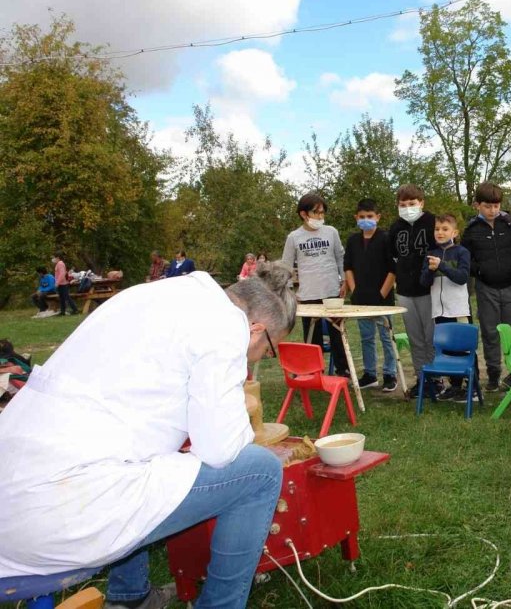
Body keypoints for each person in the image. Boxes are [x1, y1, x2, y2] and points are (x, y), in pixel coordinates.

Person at [0, 263, 297, 608]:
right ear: (257, 330)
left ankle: (131, 596)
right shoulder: (227, 324)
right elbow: (219, 449)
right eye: (269, 350)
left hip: (16, 484)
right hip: (54, 515)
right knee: (259, 471)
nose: (261, 358)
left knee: (149, 459)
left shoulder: (156, 294)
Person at [462, 182, 511, 392]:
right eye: (488, 206)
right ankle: (493, 373)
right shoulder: (471, 230)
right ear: (477, 205)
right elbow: (465, 258)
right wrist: (479, 270)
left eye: (496, 206)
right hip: (485, 287)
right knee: (490, 331)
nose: (493, 210)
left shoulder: (510, 225)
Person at [281, 192, 349, 376]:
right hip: (308, 294)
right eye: (316, 212)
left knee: (337, 333)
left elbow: (340, 258)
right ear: (304, 214)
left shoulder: (331, 232)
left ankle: (343, 369)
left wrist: (344, 280)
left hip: (332, 292)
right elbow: (286, 265)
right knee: (312, 336)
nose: (320, 216)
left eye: (322, 213)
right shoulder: (294, 237)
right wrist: (288, 291)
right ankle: (312, 370)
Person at [344, 198, 398, 392]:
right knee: (366, 337)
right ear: (356, 218)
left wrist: (382, 294)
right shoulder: (352, 241)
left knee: (386, 336)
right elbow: (348, 267)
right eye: (362, 217)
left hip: (383, 299)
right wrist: (354, 289)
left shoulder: (386, 238)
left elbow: (393, 270)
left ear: (378, 217)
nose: (366, 219)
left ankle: (390, 374)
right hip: (361, 298)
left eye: (370, 216)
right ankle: (370, 374)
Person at [388, 184, 437, 390]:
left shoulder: (432, 222)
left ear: (421, 203)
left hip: (428, 289)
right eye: (403, 204)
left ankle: (437, 378)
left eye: (412, 203)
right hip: (405, 290)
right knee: (415, 338)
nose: (407, 207)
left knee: (431, 337)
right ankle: (422, 378)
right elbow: (392, 256)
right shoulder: (395, 227)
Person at [420, 213, 472, 400]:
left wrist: (443, 266)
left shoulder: (461, 252)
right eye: (437, 229)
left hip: (458, 309)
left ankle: (471, 386)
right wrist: (431, 271)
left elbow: (462, 278)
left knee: (463, 348)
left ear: (454, 232)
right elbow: (424, 282)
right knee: (447, 348)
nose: (440, 232)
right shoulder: (431, 254)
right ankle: (454, 386)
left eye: (445, 229)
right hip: (439, 311)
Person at [51, 251, 78, 316]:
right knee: (62, 298)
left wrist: (57, 283)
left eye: (54, 257)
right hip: (61, 284)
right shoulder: (58, 264)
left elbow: (62, 274)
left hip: (63, 284)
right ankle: (62, 311)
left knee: (66, 297)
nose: (53, 259)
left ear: (58, 257)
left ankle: (75, 309)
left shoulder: (60, 264)